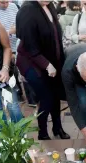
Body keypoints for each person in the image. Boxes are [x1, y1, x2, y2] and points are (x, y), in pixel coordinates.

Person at [16, 0, 70, 140]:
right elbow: (29, 44)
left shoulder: (49, 5)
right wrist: (46, 64)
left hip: (51, 61)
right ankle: (42, 132)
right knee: (46, 97)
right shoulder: (27, 10)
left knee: (55, 94)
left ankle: (58, 128)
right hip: (32, 63)